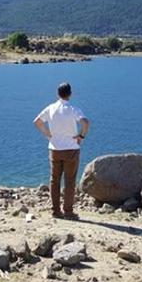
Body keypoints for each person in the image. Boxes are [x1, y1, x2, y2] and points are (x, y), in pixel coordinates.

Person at [33, 82, 90, 219]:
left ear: (57, 94)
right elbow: (85, 123)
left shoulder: (51, 108)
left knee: (54, 180)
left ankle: (56, 211)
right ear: (70, 94)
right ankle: (68, 212)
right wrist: (81, 135)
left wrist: (47, 134)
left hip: (55, 149)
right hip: (71, 149)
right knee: (70, 181)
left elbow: (37, 122)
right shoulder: (73, 109)